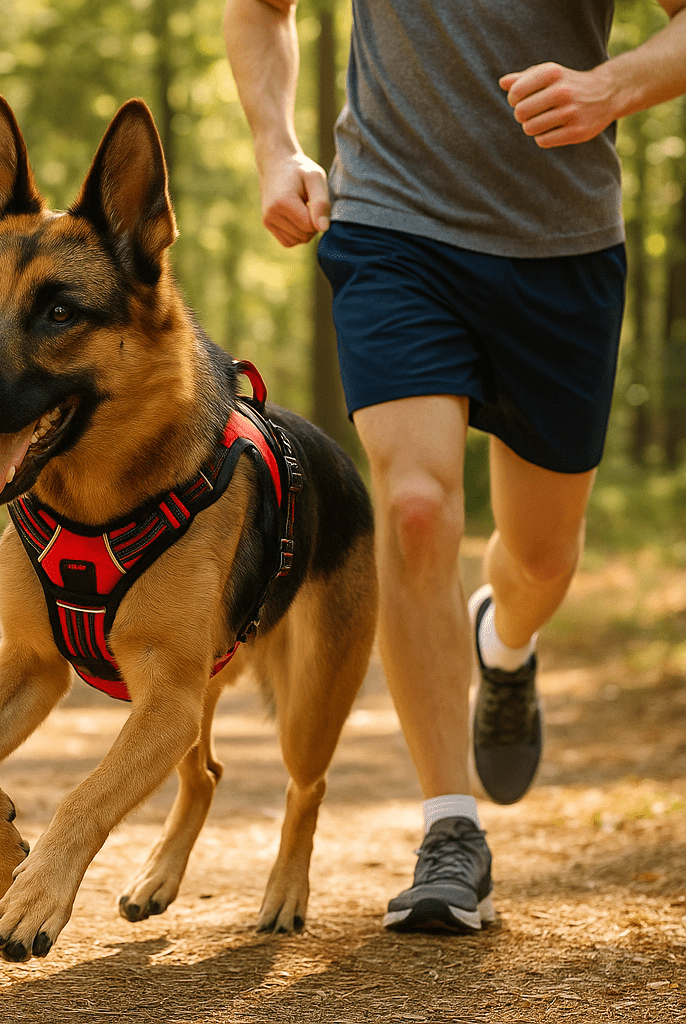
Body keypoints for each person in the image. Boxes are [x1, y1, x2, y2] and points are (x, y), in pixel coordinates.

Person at [223, 0, 686, 933]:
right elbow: (261, 7)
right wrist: (277, 148)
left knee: (543, 560)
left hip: (562, 250)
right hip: (394, 227)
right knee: (418, 509)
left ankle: (503, 642)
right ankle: (450, 831)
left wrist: (610, 87)